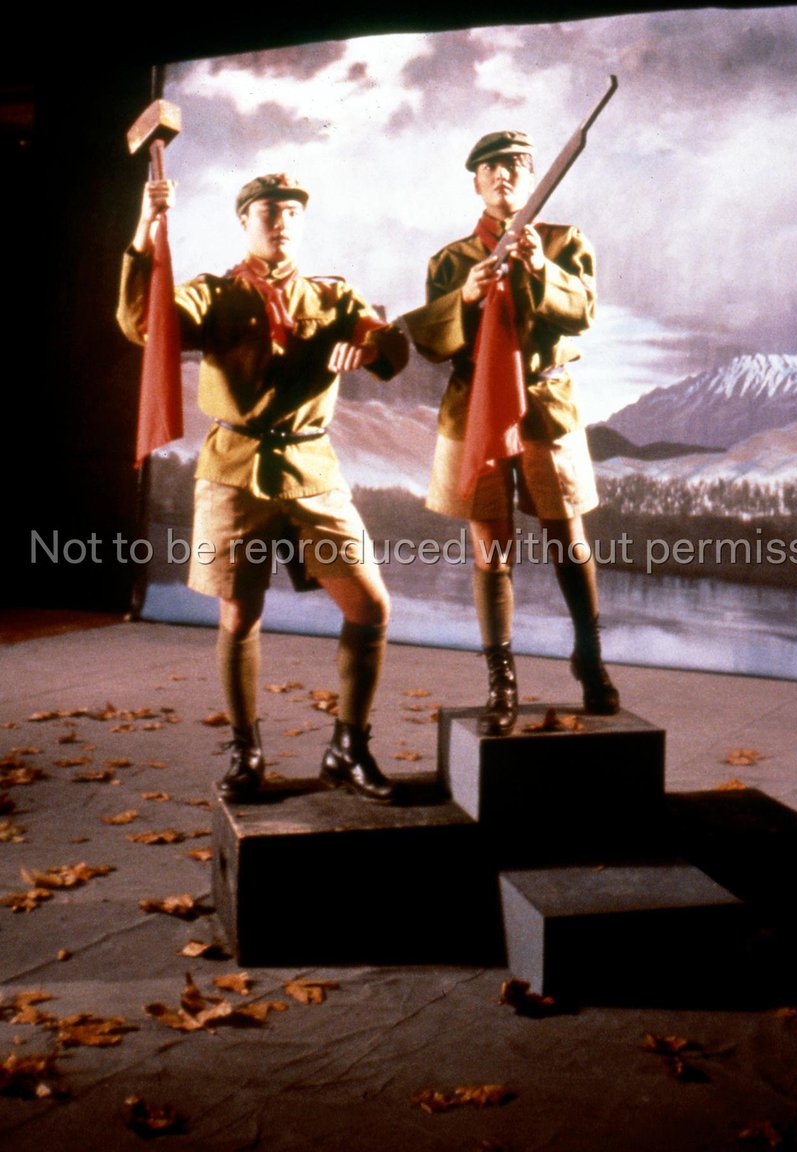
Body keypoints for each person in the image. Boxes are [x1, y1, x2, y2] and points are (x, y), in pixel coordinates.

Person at [118, 172, 408, 802]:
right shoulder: (214, 295)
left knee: (370, 608)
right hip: (234, 472)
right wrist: (145, 230)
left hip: (310, 471)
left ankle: (348, 748)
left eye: (292, 213)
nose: (282, 222)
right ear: (244, 221)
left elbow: (389, 347)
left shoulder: (332, 296)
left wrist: (369, 347)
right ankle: (246, 751)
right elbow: (144, 322)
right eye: (269, 212)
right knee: (239, 614)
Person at [403, 131, 619, 735]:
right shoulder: (450, 261)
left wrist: (540, 267)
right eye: (491, 167)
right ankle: (502, 679)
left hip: (546, 404)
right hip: (475, 407)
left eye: (517, 165)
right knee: (490, 544)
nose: (504, 175)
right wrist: (466, 297)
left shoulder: (564, 242)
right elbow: (430, 341)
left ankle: (589, 657)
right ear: (476, 182)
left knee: (567, 534)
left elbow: (583, 311)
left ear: (532, 177)